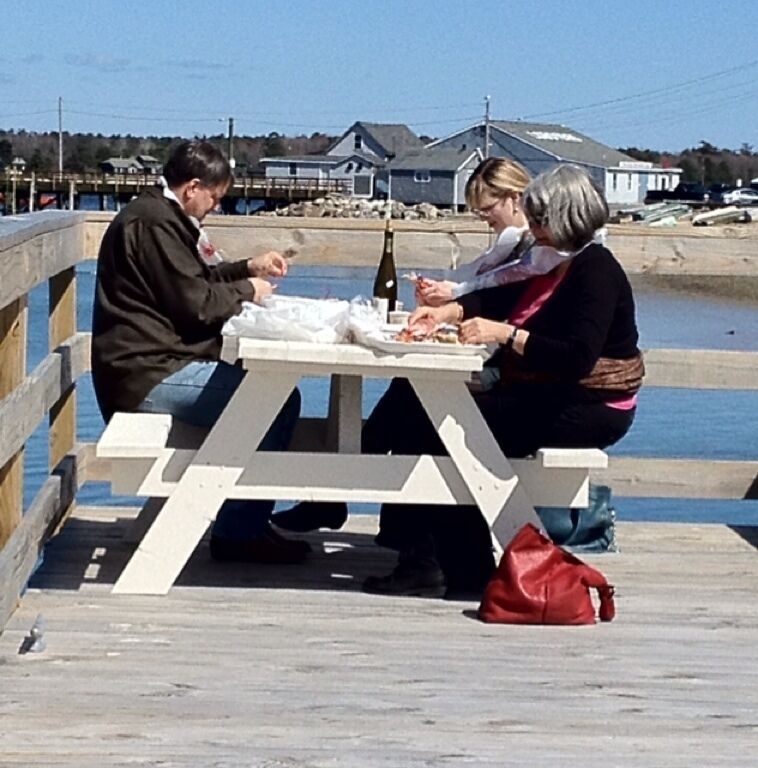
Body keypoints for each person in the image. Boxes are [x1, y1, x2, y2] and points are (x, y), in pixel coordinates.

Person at [359, 164, 644, 599]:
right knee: (422, 410)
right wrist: (447, 312)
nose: (533, 228)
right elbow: (497, 297)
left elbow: (577, 358)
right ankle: (423, 557)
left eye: (540, 221)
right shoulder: (557, 260)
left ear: (567, 218)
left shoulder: (596, 270)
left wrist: (505, 334)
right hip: (553, 393)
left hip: (591, 408)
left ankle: (457, 570)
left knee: (447, 430)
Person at [91, 140, 306, 564]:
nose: (215, 206)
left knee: (267, 392)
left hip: (144, 363)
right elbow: (197, 303)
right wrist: (249, 291)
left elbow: (195, 280)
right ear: (193, 187)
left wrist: (247, 268)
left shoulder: (156, 216)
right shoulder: (154, 224)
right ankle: (239, 533)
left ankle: (243, 522)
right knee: (275, 398)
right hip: (148, 372)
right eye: (215, 197)